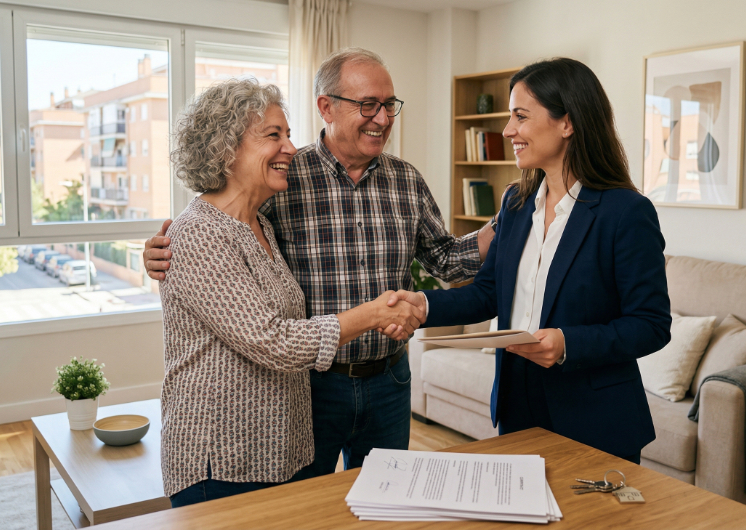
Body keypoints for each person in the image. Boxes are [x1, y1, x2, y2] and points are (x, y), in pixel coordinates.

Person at [145, 48, 495, 477]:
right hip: (311, 385)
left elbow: (445, 259)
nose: (383, 118)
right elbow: (222, 221)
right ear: (326, 107)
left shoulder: (407, 180)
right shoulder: (284, 176)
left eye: (389, 105)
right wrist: (164, 250)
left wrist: (506, 224)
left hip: (389, 380)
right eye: (368, 104)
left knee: (387, 506)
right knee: (309, 510)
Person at [391, 58, 671, 463]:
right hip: (517, 402)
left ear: (567, 123)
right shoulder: (517, 203)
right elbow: (489, 293)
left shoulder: (626, 212)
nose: (508, 131)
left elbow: (651, 325)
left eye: (520, 116)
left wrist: (567, 344)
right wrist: (425, 305)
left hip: (594, 417)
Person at [160, 78, 421, 507]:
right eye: (273, 135)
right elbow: (274, 341)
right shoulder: (200, 233)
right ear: (226, 148)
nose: (291, 148)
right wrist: (372, 315)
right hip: (221, 461)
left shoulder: (259, 224)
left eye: (289, 134)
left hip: (277, 452)